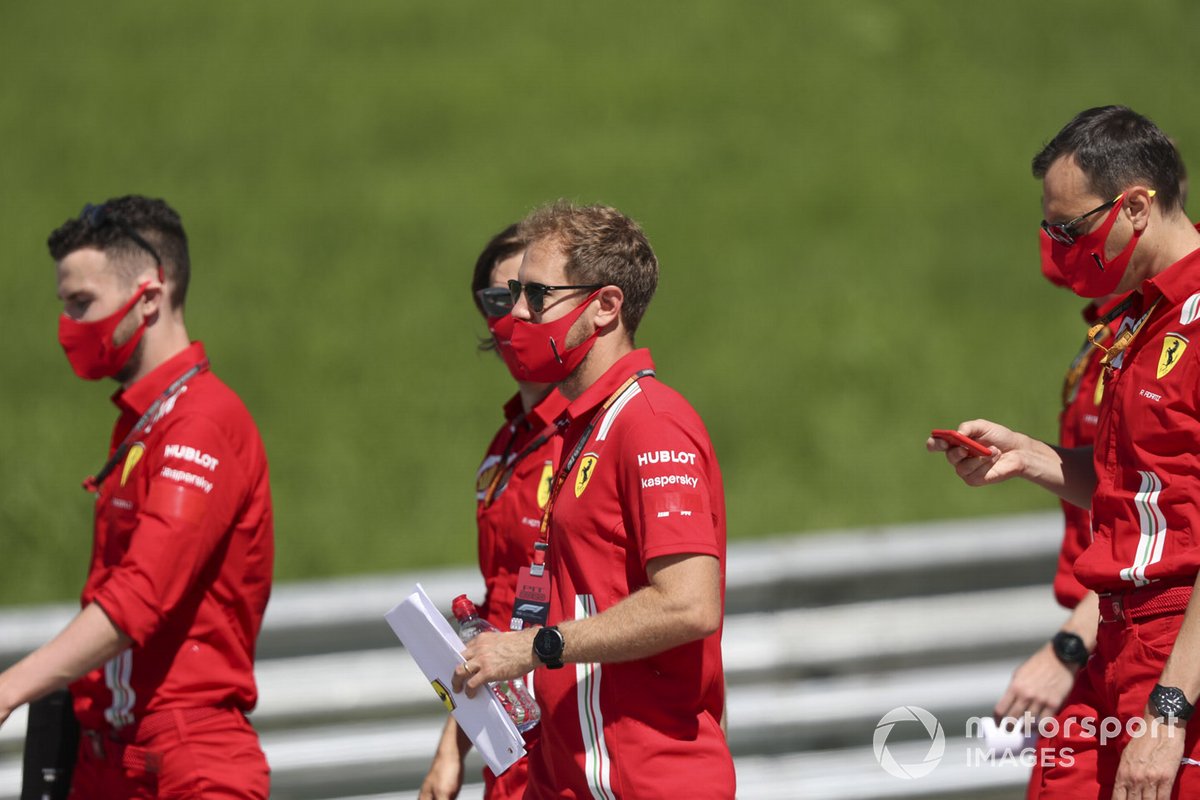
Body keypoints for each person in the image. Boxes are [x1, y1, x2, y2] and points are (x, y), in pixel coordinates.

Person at [930, 106, 1200, 798]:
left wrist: (1169, 709)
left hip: (1179, 650)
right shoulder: (1140, 318)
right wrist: (1030, 456)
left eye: (1069, 228)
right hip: (1121, 633)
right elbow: (1141, 492)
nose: (1056, 245)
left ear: (1136, 205)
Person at [452, 201, 735, 799]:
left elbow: (689, 607)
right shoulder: (580, 429)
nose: (516, 314)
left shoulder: (652, 422)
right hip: (570, 779)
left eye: (536, 295)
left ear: (604, 306)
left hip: (646, 782)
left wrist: (534, 646)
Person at [0, 196, 274, 798]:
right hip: (113, 754)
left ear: (148, 298)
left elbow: (140, 597)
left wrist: (10, 687)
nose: (67, 328)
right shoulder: (145, 423)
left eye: (82, 305)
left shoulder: (199, 422)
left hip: (186, 760)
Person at [419, 225, 567, 800]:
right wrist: (450, 749)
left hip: (580, 746)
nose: (514, 316)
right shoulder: (504, 447)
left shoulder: (595, 434)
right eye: (497, 301)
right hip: (506, 742)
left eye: (532, 296)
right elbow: (496, 615)